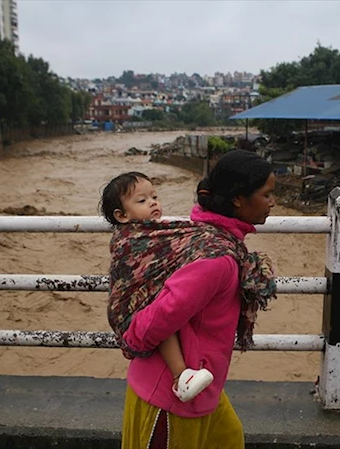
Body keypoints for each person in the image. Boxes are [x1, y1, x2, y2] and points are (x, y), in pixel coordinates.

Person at [112, 150, 278, 448]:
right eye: (266, 194)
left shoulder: (208, 236)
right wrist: (133, 342)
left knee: (230, 439)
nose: (273, 202)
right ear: (239, 198)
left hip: (202, 385)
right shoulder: (217, 259)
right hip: (170, 398)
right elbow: (153, 321)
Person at [100, 172, 214, 402]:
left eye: (154, 196)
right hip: (135, 306)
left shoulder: (162, 232)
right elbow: (134, 275)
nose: (153, 202)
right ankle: (180, 377)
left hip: (153, 300)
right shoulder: (130, 239)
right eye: (142, 201)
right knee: (161, 321)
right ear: (122, 216)